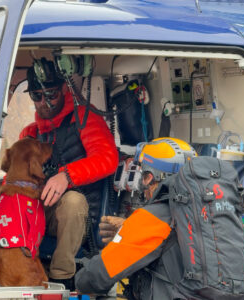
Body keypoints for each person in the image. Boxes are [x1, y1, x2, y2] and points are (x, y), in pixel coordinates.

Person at [19, 58, 119, 289]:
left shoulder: (84, 119)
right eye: (37, 96)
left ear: (64, 89)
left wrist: (66, 176)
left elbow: (107, 159)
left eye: (51, 94)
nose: (45, 102)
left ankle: (61, 278)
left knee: (73, 201)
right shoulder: (30, 133)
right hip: (41, 212)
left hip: (79, 216)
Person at [75, 137, 197, 299]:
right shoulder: (218, 214)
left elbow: (96, 277)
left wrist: (78, 280)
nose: (142, 185)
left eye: (144, 175)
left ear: (151, 177)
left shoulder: (154, 217)